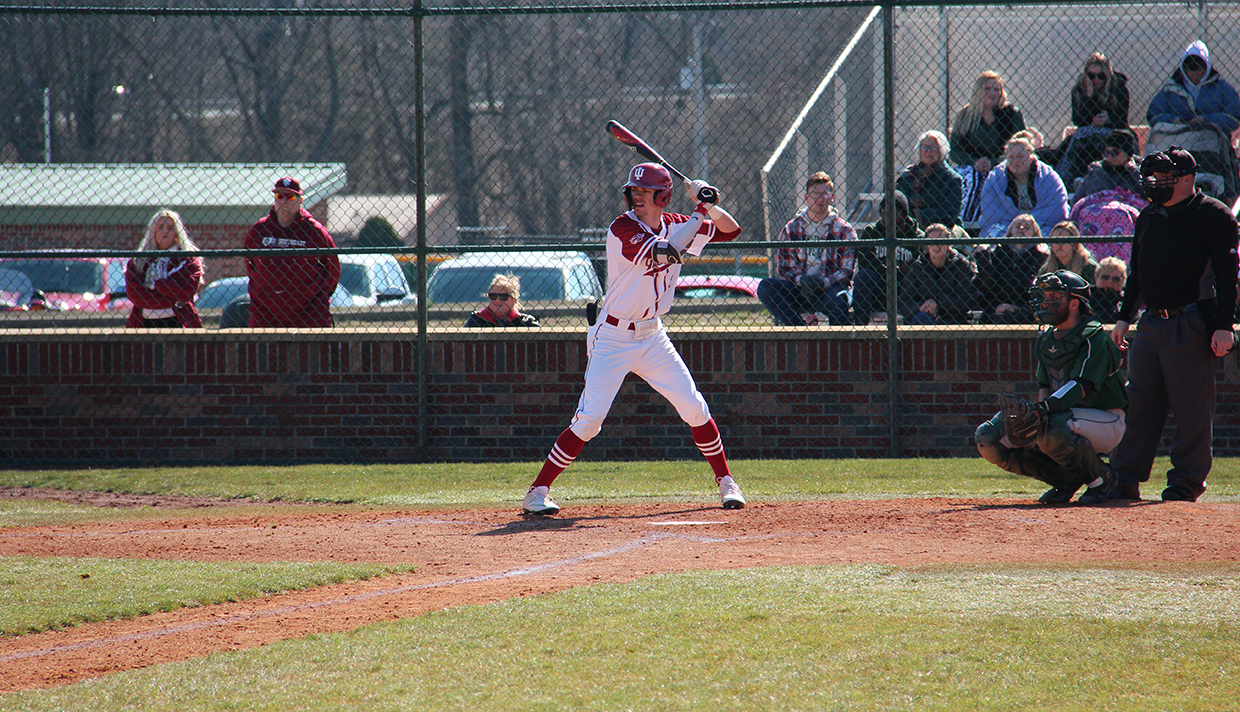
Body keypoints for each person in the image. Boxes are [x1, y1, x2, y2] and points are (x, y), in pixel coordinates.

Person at [522, 163, 745, 516]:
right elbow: (666, 252)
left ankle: (727, 483)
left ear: (663, 196)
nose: (636, 198)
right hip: (613, 336)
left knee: (693, 406)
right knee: (590, 420)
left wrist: (711, 203)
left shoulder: (675, 222)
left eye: (645, 193)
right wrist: (699, 209)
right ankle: (537, 490)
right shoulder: (623, 227)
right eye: (634, 192)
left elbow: (731, 231)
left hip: (652, 335)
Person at [1108, 148, 1238, 502]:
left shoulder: (1214, 215)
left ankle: (1186, 483)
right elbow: (1138, 271)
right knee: (1139, 403)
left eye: (1162, 177)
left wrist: (1224, 326)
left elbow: (1228, 277)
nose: (1153, 184)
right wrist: (1124, 316)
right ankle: (1123, 479)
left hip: (1192, 321)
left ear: (1185, 179)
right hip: (1150, 323)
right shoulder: (1148, 216)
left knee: (1191, 408)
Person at [974, 270, 1127, 505]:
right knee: (989, 437)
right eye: (1044, 296)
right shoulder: (1046, 339)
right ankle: (1065, 480)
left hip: (1106, 418)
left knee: (1053, 428)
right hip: (1065, 415)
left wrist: (1044, 409)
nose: (1044, 302)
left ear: (1074, 303)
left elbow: (1081, 386)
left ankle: (1101, 479)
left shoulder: (1092, 335)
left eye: (1053, 297)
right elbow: (1045, 386)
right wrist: (1037, 413)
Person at [757, 171, 856, 326]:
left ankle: (838, 344)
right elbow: (784, 268)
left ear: (832, 197)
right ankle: (799, 331)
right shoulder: (791, 228)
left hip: (829, 289)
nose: (820, 198)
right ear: (806, 197)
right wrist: (800, 280)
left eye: (825, 194)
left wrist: (824, 282)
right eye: (815, 194)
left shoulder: (844, 230)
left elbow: (846, 270)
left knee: (839, 300)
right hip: (799, 289)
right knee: (766, 287)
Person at [245, 177, 342, 328]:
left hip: (309, 315)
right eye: (279, 196)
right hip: (265, 315)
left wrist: (316, 298)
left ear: (300, 200)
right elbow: (250, 264)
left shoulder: (315, 231)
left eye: (290, 196)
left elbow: (332, 269)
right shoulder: (260, 230)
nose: (284, 201)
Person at [949, 71, 1027, 223]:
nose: (993, 93)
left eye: (997, 89)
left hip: (1005, 165)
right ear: (978, 91)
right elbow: (954, 151)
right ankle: (966, 221)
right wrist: (974, 162)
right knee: (971, 178)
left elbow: (1022, 146)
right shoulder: (965, 116)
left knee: (991, 178)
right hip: (972, 167)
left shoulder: (1011, 114)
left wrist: (993, 162)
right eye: (988, 89)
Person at [1055, 53, 1131, 185]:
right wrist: (1088, 97)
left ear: (1107, 75)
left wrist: (1108, 121)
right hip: (1087, 132)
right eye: (1091, 76)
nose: (1096, 80)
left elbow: (1122, 119)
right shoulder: (1079, 90)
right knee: (1078, 139)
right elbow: (1078, 120)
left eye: (1100, 76)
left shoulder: (1119, 89)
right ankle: (1069, 182)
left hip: (1113, 131)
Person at [124, 209, 205, 329]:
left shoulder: (188, 259)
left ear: (177, 232)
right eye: (160, 227)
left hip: (179, 321)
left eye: (170, 228)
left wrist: (156, 285)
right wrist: (171, 296)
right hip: (144, 322)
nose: (165, 231)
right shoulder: (138, 261)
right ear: (153, 231)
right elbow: (134, 294)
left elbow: (186, 291)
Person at [978, 135, 1070, 237]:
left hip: (1042, 226)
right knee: (993, 233)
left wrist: (1027, 225)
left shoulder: (1048, 176)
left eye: (1021, 156)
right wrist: (1015, 227)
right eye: (1011, 157)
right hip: (1006, 227)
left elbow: (1056, 209)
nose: (1016, 161)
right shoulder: (995, 178)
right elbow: (991, 213)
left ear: (1032, 157)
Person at [1147, 41, 1240, 135]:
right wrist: (1174, 120)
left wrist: (1206, 120)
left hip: (1211, 140)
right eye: (1190, 69)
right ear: (1183, 68)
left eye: (1198, 69)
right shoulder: (1171, 88)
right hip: (1178, 138)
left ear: (1206, 67)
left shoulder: (1221, 87)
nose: (1194, 74)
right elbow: (1153, 115)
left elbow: (1235, 117)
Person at [853, 190, 918, 323]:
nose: (888, 216)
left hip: (905, 292)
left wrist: (901, 271)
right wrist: (897, 270)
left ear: (905, 214)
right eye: (884, 212)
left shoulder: (917, 236)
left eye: (894, 212)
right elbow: (865, 264)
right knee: (863, 276)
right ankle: (860, 329)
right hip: (880, 290)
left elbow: (919, 268)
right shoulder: (871, 233)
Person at [973, 214, 1049, 324]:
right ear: (1011, 231)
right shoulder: (999, 252)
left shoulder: (1039, 255)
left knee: (1005, 314)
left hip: (1025, 307)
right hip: (995, 306)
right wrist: (983, 258)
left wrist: (1041, 259)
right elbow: (988, 286)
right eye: (1017, 226)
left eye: (1027, 227)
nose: (1021, 228)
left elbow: (1029, 287)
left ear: (1035, 233)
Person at [898, 223, 977, 325]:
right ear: (927, 244)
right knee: (923, 319)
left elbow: (967, 300)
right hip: (924, 316)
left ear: (948, 243)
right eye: (931, 241)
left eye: (940, 240)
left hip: (954, 317)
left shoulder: (961, 265)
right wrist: (922, 306)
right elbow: (904, 303)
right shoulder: (918, 267)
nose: (936, 245)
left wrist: (938, 303)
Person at [896, 130, 964, 228]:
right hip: (909, 227)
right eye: (924, 147)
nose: (928, 151)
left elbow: (950, 213)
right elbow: (899, 204)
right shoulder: (909, 176)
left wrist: (917, 214)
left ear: (941, 149)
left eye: (933, 147)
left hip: (942, 229)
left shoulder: (952, 179)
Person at [1071, 128, 1142, 205]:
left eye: (1114, 152)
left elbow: (1150, 196)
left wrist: (1133, 171)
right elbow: (1076, 201)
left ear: (1127, 153)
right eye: (1107, 152)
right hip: (1096, 214)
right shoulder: (1097, 171)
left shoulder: (1138, 173)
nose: (1109, 157)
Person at [463, 274, 541, 327]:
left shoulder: (526, 322)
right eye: (493, 296)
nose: (497, 300)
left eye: (503, 297)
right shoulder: (476, 320)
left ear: (514, 299)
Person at [1089, 256, 1127, 324]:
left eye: (1115, 279)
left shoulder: (1126, 299)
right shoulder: (1087, 295)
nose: (1110, 281)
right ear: (1096, 278)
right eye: (1105, 277)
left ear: (1123, 281)